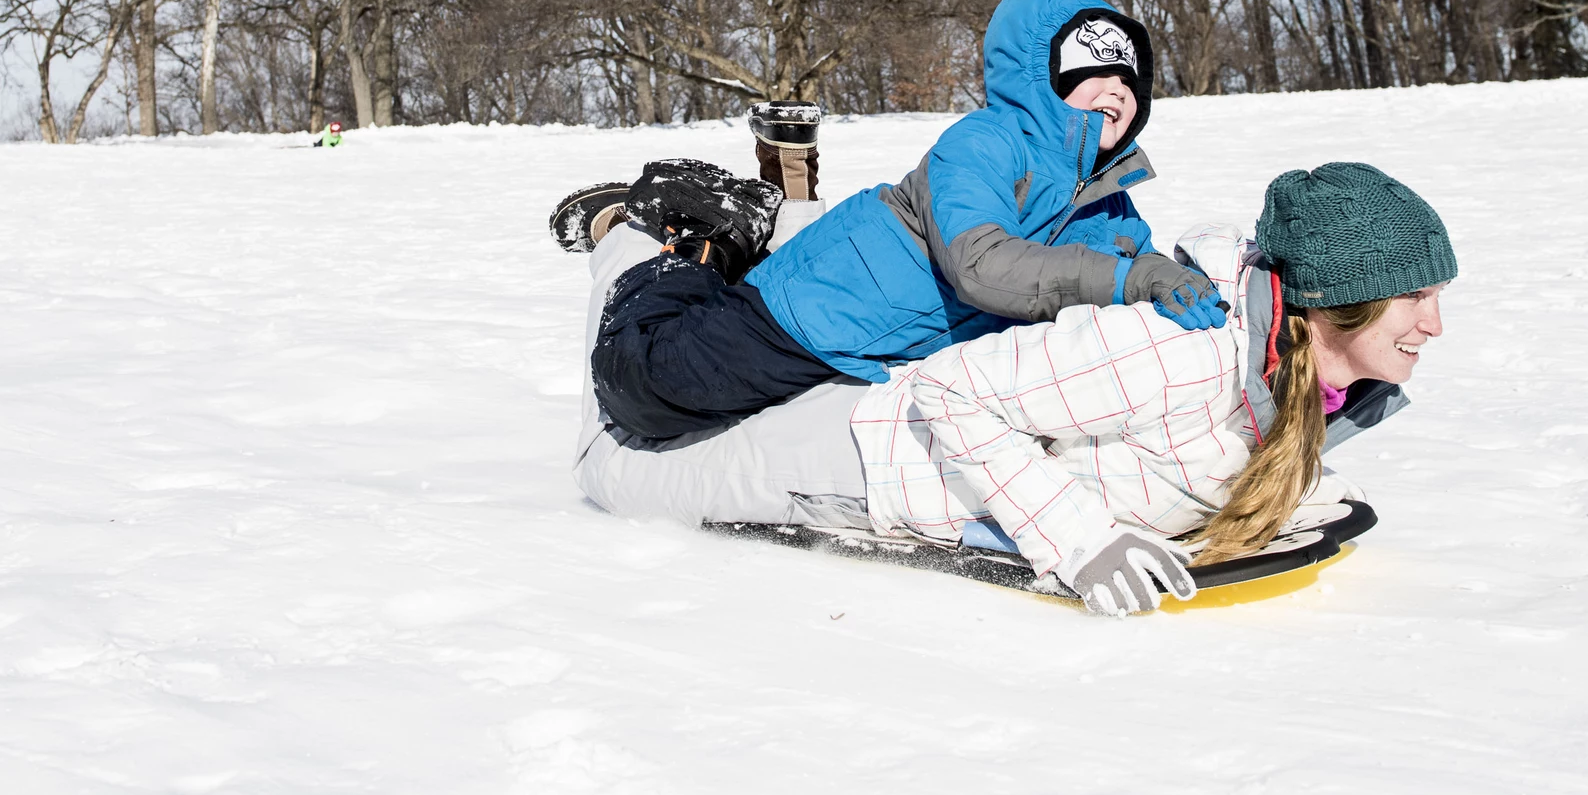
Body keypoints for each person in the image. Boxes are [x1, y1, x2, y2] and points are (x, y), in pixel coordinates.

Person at [573, 160, 1456, 616]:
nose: (1434, 325)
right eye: (1416, 297)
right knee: (613, 470)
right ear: (1337, 301)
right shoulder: (1182, 353)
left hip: (895, 448)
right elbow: (954, 393)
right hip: (869, 461)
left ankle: (719, 254)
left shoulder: (1303, 381)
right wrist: (1078, 539)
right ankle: (645, 234)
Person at [589, 0, 1231, 445]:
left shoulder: (1109, 203)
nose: (1117, 87)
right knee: (645, 390)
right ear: (1040, 73)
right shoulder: (985, 143)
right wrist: (1131, 279)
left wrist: (1186, 288)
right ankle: (692, 241)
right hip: (815, 310)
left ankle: (754, 221)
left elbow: (1137, 276)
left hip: (878, 350)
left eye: (1130, 76)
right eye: (1093, 66)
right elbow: (983, 267)